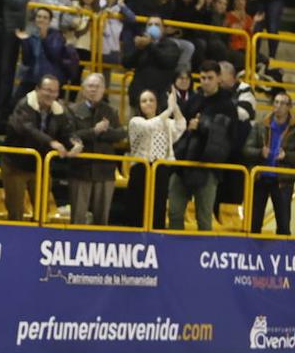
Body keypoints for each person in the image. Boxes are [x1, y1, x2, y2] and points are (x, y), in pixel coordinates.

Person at [3, 74, 82, 221]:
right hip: (16, 165)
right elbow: (28, 129)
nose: (51, 94)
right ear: (38, 89)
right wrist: (51, 142)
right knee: (15, 211)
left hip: (42, 167)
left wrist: (76, 143)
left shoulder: (59, 110)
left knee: (42, 212)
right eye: (47, 90)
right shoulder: (24, 105)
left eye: (55, 91)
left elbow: (67, 131)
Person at [168, 62, 234, 231]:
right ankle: (174, 251)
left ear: (219, 78)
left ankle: (201, 255)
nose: (205, 82)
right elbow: (180, 126)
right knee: (174, 213)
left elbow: (226, 137)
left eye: (210, 78)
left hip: (208, 167)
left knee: (204, 218)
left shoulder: (226, 104)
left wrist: (203, 126)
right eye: (203, 78)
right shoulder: (194, 100)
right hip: (184, 164)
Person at [66, 72, 124, 225]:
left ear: (103, 89)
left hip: (105, 171)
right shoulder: (73, 109)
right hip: (81, 170)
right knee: (77, 218)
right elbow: (70, 134)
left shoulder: (110, 111)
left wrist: (103, 132)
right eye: (90, 86)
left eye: (97, 86)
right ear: (84, 89)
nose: (94, 89)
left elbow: (120, 134)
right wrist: (94, 131)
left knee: (102, 220)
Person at [127, 86, 184, 229]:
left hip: (160, 169)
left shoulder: (166, 122)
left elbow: (181, 125)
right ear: (139, 105)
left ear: (157, 103)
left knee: (158, 206)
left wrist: (174, 106)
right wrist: (169, 110)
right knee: (137, 207)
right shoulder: (135, 121)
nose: (148, 103)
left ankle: (156, 241)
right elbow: (150, 127)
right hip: (141, 168)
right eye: (144, 101)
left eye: (151, 100)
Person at [244, 91, 294, 235]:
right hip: (260, 178)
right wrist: (259, 152)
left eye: (282, 103)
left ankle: (284, 255)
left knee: (284, 226)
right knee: (254, 224)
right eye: (276, 102)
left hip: (283, 181)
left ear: (289, 107)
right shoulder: (260, 125)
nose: (278, 106)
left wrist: (287, 156)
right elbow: (246, 149)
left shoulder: (293, 129)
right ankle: (252, 255)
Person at [15, 6, 72, 99]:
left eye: (45, 18)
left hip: (50, 78)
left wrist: (44, 36)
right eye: (39, 17)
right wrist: (24, 41)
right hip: (32, 77)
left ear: (50, 21)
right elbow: (26, 60)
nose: (41, 20)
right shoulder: (30, 35)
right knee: (16, 100)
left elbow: (54, 55)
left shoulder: (57, 35)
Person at [126, 16, 180, 110]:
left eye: (157, 25)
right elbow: (126, 63)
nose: (153, 27)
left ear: (163, 29)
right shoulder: (140, 43)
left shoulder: (171, 45)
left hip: (160, 100)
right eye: (150, 24)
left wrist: (150, 45)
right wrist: (139, 49)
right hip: (139, 98)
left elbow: (168, 62)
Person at [98, 0, 136, 68]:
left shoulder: (121, 7)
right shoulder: (100, 2)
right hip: (98, 41)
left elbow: (132, 18)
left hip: (112, 44)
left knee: (106, 71)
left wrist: (121, 4)